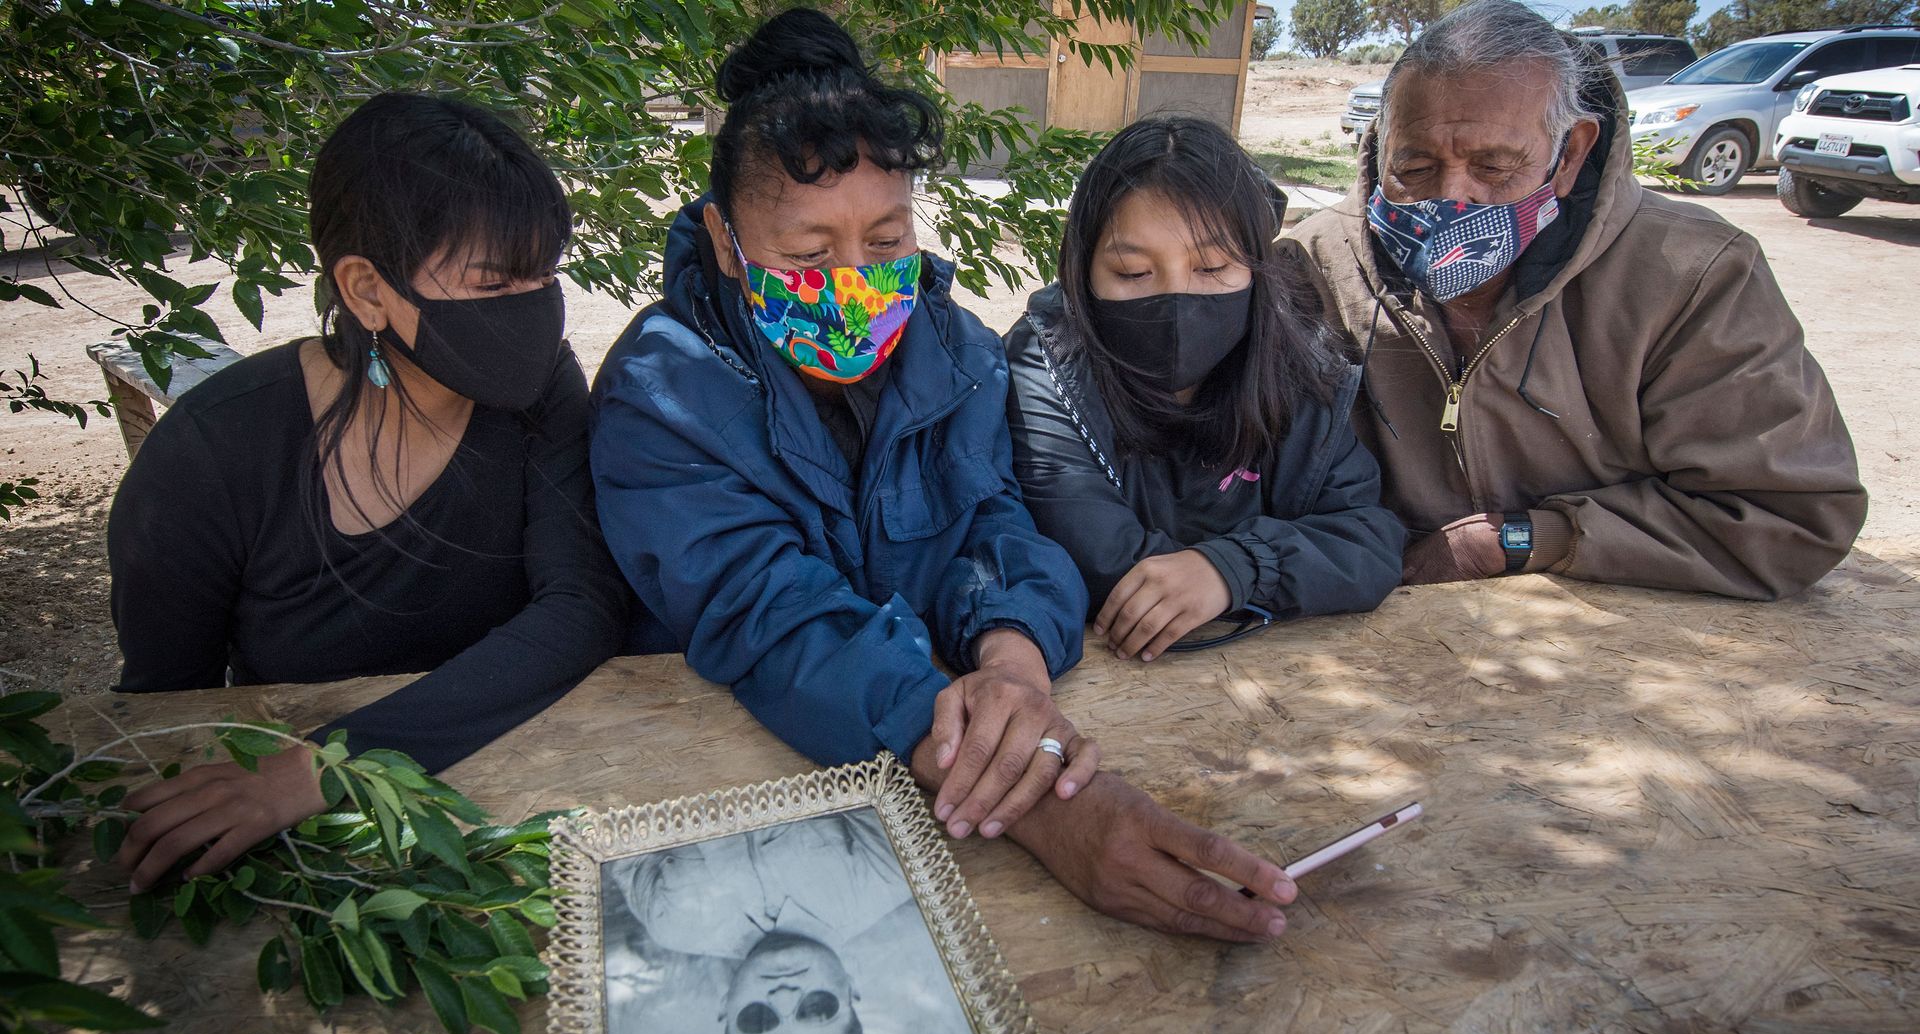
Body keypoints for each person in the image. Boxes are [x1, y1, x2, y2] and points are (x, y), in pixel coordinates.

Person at [591, 8, 1297, 943]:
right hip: (737, 798)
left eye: (885, 242)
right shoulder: (661, 390)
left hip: (942, 750)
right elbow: (766, 611)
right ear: (725, 240)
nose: (853, 280)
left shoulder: (955, 349)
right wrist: (1040, 798)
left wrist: (1014, 659)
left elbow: (995, 527)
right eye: (808, 253)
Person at [106, 93, 629, 890]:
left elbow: (580, 607)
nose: (532, 310)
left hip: (515, 804)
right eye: (493, 283)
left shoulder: (541, 393)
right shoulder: (213, 454)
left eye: (544, 276)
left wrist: (324, 767)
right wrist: (288, 784)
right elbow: (162, 713)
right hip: (310, 852)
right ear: (367, 289)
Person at [1285, 0, 1867, 599]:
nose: (1451, 197)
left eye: (1493, 166)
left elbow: (1788, 517)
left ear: (1570, 155)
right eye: (1416, 165)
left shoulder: (1697, 276)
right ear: (1381, 145)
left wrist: (1532, 539)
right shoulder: (1311, 266)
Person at [1004, 117, 1404, 662]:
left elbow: (1369, 539)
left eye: (1212, 267)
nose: (1177, 301)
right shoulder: (1045, 367)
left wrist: (1235, 568)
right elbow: (1100, 558)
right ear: (1082, 271)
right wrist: (1284, 569)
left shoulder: (1298, 367)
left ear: (1256, 272)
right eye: (1132, 272)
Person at [602, 812, 985, 1034]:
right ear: (852, 991)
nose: (784, 995)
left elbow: (617, 822)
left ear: (725, 1007)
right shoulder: (886, 874)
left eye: (758, 1019)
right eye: (817, 1009)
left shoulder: (672, 924)